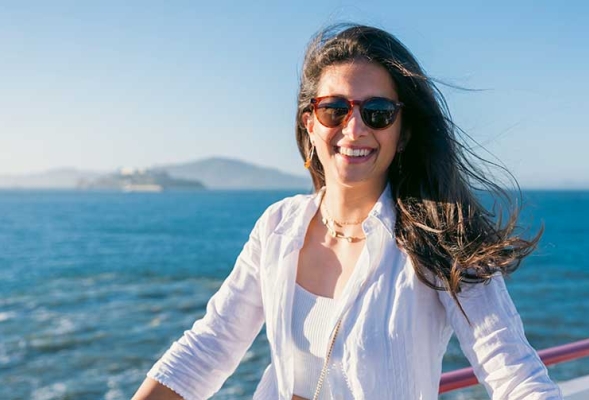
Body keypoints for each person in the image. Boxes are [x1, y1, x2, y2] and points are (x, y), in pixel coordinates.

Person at [133, 24, 562, 399]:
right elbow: (209, 346)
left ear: (403, 131)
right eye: (335, 109)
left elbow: (514, 374)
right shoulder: (278, 226)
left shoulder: (442, 240)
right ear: (310, 122)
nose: (354, 129)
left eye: (377, 113)